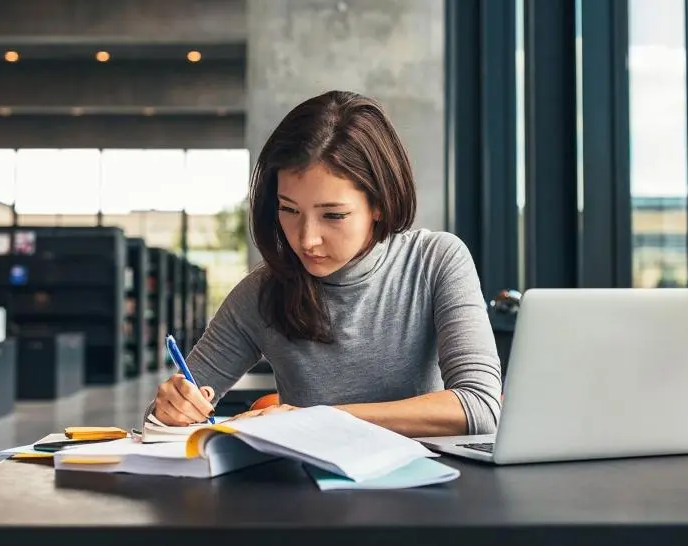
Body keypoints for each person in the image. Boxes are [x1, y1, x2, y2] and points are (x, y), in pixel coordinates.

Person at [149, 90, 502, 438]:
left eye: (333, 215)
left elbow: (480, 407)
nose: (306, 239)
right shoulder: (261, 293)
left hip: (428, 487)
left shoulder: (435, 261)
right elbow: (159, 422)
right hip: (310, 491)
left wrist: (314, 419)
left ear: (379, 203)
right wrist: (171, 409)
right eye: (289, 210)